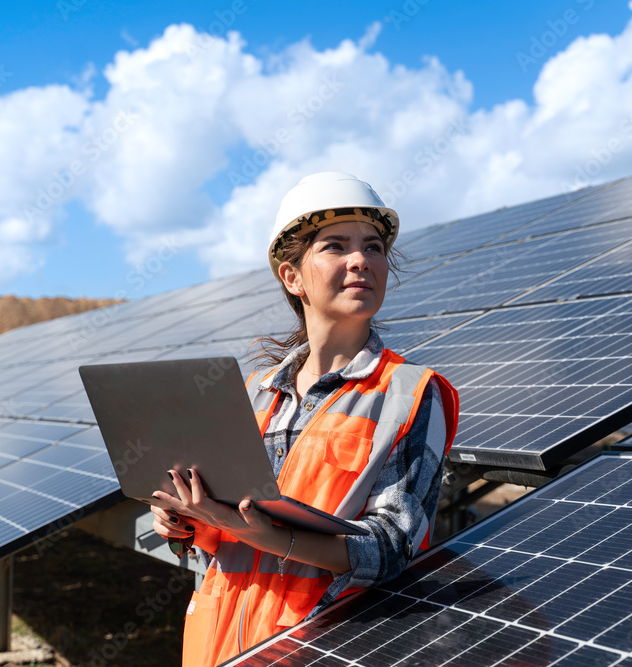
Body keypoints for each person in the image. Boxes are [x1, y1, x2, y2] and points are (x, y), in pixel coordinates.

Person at [148, 171, 459, 667]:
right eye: (335, 246)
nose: (361, 260)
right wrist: (184, 520)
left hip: (322, 645)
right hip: (221, 644)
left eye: (374, 247)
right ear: (292, 277)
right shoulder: (255, 394)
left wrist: (267, 536)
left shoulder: (411, 393)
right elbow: (221, 535)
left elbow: (392, 549)